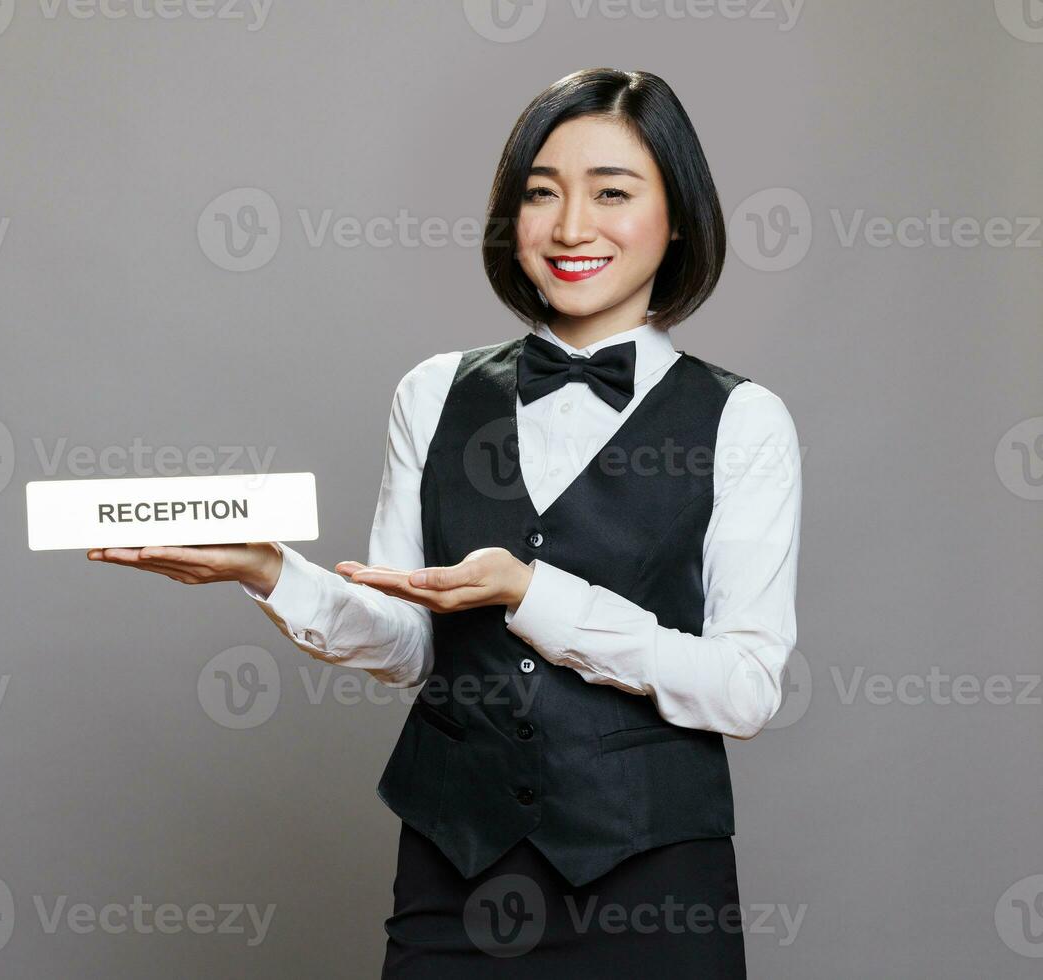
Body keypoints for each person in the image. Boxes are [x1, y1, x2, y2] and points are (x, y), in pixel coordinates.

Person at [87, 67, 801, 978]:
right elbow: (410, 643)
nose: (572, 227)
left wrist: (535, 593)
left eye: (612, 193)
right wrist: (267, 570)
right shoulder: (433, 393)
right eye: (543, 194)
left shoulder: (744, 421)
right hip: (454, 875)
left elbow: (745, 688)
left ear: (678, 219)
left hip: (653, 887)